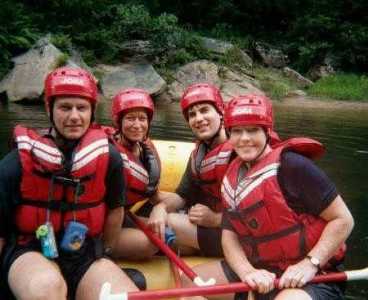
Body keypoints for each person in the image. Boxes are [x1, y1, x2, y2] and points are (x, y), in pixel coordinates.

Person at [183, 94, 354, 300]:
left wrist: (309, 264)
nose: (244, 138)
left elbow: (343, 219)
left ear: (267, 131)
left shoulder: (293, 166)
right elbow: (230, 236)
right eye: (236, 131)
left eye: (253, 130)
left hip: (314, 275)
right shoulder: (232, 175)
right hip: (261, 272)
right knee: (190, 282)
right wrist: (247, 272)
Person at [0, 67, 138, 300]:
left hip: (83, 251)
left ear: (92, 111)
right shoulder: (16, 163)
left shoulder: (110, 158)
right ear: (49, 109)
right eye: (65, 107)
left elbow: (115, 211)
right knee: (47, 288)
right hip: (30, 249)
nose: (74, 116)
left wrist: (106, 254)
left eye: (82, 108)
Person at [149, 83, 233, 257]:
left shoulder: (241, 149)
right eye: (192, 115)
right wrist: (160, 208)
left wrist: (216, 219)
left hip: (238, 237)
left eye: (204, 110)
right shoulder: (199, 155)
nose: (198, 118)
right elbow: (182, 195)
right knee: (160, 220)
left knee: (168, 223)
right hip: (212, 228)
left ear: (221, 112)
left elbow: (259, 212)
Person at [104, 88, 162, 260]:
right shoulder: (108, 151)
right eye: (130, 118)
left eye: (142, 119)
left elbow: (156, 197)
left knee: (165, 234)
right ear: (118, 122)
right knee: (152, 244)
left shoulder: (146, 151)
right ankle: (102, 252)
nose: (137, 125)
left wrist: (161, 208)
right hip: (103, 220)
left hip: (125, 215)